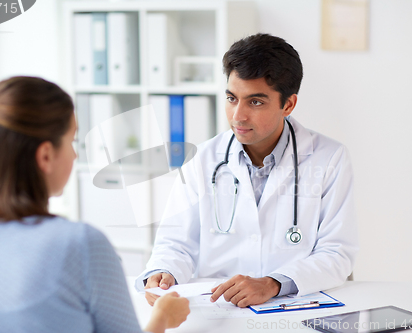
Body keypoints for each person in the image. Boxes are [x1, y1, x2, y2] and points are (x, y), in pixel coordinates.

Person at [136, 33, 359, 308]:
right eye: (232, 98)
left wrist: (273, 284)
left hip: (292, 308)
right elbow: (175, 244)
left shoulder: (329, 158)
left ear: (287, 104)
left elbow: (337, 254)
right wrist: (164, 271)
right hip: (218, 308)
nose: (238, 116)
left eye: (255, 102)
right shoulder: (203, 159)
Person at [0, 76, 189, 333]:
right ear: (45, 155)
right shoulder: (79, 246)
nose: (75, 154)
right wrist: (163, 318)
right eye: (71, 142)